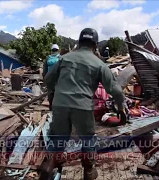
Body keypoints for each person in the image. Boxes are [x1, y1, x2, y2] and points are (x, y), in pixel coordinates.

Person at [40, 28, 127, 180]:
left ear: (79, 42)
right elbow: (116, 91)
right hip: (83, 106)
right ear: (95, 45)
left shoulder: (64, 58)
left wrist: (52, 96)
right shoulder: (99, 64)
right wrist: (121, 107)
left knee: (58, 138)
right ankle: (89, 171)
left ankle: (49, 165)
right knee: (88, 139)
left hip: (60, 104)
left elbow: (48, 79)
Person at [42, 44, 61, 111]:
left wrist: (44, 78)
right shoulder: (60, 58)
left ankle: (51, 107)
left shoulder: (48, 58)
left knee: (50, 93)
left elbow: (45, 70)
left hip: (49, 78)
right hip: (57, 78)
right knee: (57, 93)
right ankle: (55, 108)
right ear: (58, 50)